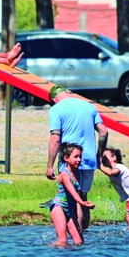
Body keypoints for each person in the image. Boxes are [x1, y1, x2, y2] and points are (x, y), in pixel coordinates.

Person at [46, 86, 108, 231]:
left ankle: (75, 239)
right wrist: (99, 155)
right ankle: (84, 237)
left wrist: (50, 165)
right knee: (83, 198)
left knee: (71, 199)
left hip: (70, 159)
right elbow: (104, 132)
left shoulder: (56, 109)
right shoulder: (89, 106)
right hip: (89, 159)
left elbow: (55, 138)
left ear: (54, 99)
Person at [49, 143, 95, 246]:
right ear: (66, 158)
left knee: (79, 241)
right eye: (76, 157)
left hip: (69, 208)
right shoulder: (64, 175)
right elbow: (73, 193)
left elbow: (76, 193)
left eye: (80, 157)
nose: (79, 159)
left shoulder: (77, 172)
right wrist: (83, 203)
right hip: (58, 207)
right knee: (62, 241)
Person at [98, 148, 129, 231]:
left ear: (114, 157)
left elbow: (111, 173)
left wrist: (98, 165)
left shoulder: (118, 167)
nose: (102, 159)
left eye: (104, 157)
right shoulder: (113, 169)